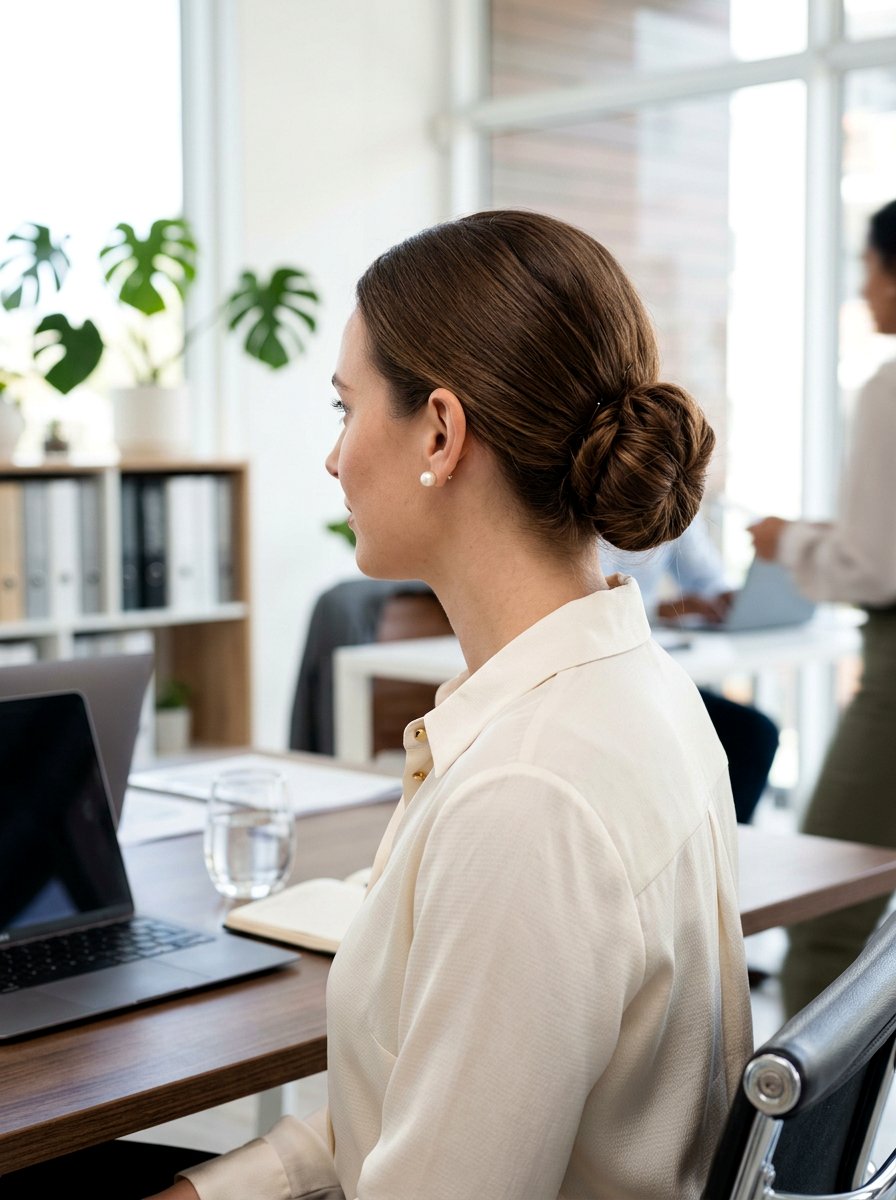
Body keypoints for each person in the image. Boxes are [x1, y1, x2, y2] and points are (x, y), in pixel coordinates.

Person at [4, 211, 752, 1199]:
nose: (332, 458)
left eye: (343, 410)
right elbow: (426, 1106)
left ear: (439, 431)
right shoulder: (632, 688)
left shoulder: (526, 799)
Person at [749, 197, 896, 1018]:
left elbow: (875, 567)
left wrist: (790, 542)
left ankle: (794, 1150)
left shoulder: (890, 385)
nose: (865, 289)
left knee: (828, 911)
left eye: (869, 268)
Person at [601, 519, 780, 825]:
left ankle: (725, 853)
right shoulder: (571, 494)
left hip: (651, 670)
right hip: (605, 673)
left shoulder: (669, 494)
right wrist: (660, 607)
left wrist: (722, 597)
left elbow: (707, 579)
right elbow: (582, 597)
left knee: (755, 734)